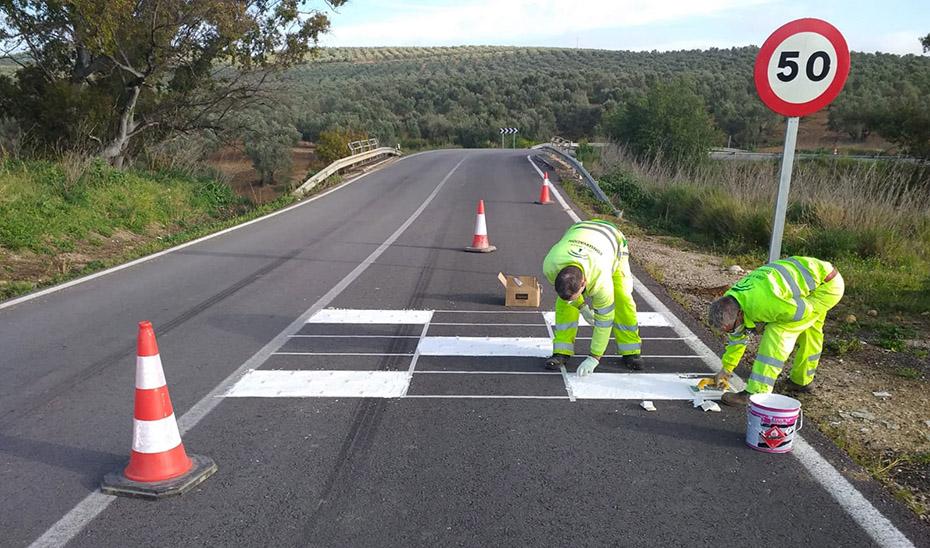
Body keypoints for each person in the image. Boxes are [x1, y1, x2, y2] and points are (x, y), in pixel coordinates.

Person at [708, 256, 844, 406]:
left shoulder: (763, 305)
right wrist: (726, 369)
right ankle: (801, 381)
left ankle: (756, 393)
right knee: (810, 333)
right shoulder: (732, 299)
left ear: (739, 314)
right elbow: (738, 338)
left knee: (778, 330)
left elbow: (801, 312)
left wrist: (808, 311)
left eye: (731, 328)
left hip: (825, 288)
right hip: (817, 275)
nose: (732, 332)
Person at [542, 219, 643, 376]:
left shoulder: (601, 280)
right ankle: (562, 351)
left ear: (584, 283)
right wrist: (581, 306)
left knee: (622, 297)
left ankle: (630, 350)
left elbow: (604, 320)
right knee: (564, 304)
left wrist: (594, 357)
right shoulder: (550, 266)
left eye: (577, 295)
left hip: (613, 241)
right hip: (579, 231)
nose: (573, 299)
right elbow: (568, 296)